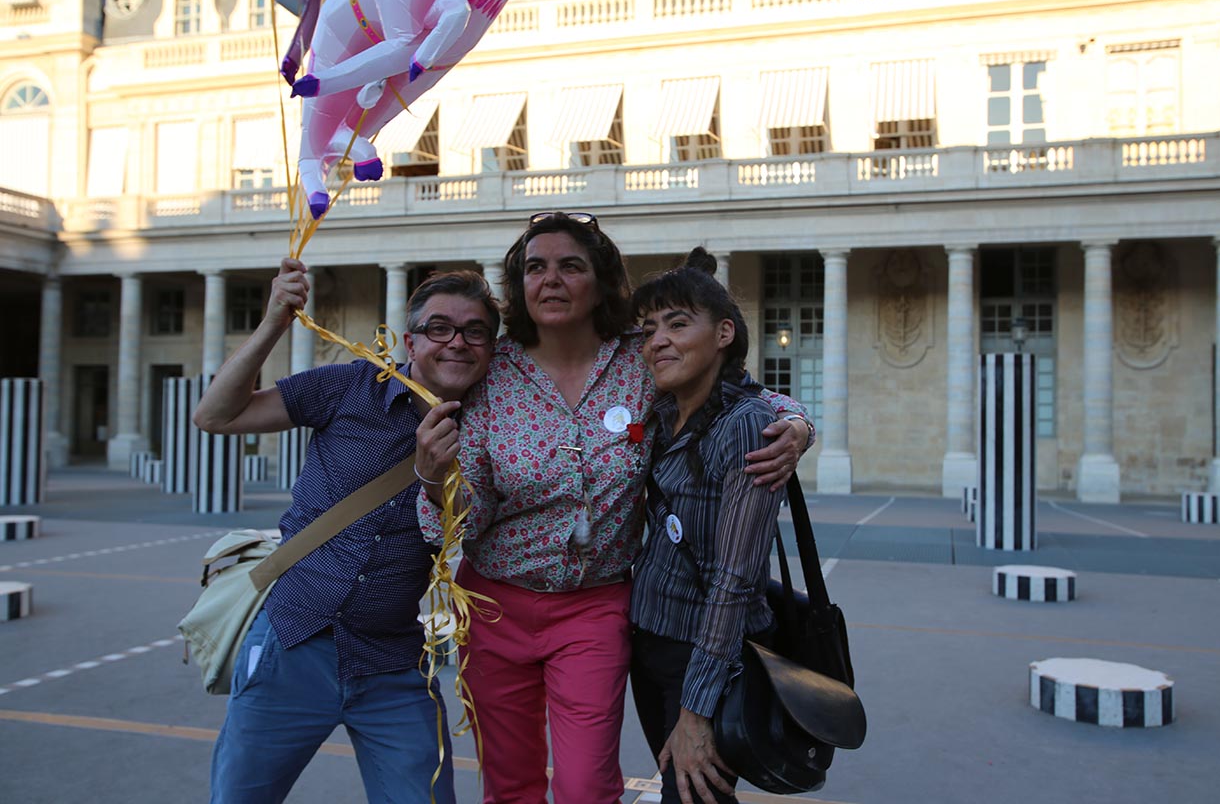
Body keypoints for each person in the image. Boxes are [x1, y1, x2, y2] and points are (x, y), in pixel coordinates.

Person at [415, 212, 813, 804]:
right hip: (494, 604)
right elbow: (461, 522)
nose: (550, 279)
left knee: (584, 786)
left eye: (570, 265)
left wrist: (798, 422)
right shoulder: (491, 371)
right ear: (519, 284)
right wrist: (431, 482)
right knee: (510, 784)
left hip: (595, 607)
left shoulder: (639, 357)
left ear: (599, 279)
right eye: (535, 267)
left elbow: (736, 390)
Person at [194, 256, 499, 803]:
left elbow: (474, 530)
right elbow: (216, 416)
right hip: (294, 639)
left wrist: (434, 480)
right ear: (410, 340)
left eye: (475, 331)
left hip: (393, 662)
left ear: (492, 348)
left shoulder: (495, 425)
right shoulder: (352, 385)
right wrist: (273, 324)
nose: (457, 342)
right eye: (439, 328)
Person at [629, 248, 785, 804]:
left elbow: (735, 580)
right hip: (650, 643)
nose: (658, 341)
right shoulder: (664, 411)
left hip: (707, 657)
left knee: (696, 795)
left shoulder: (748, 426)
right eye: (648, 330)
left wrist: (696, 709)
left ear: (723, 333)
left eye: (677, 324)